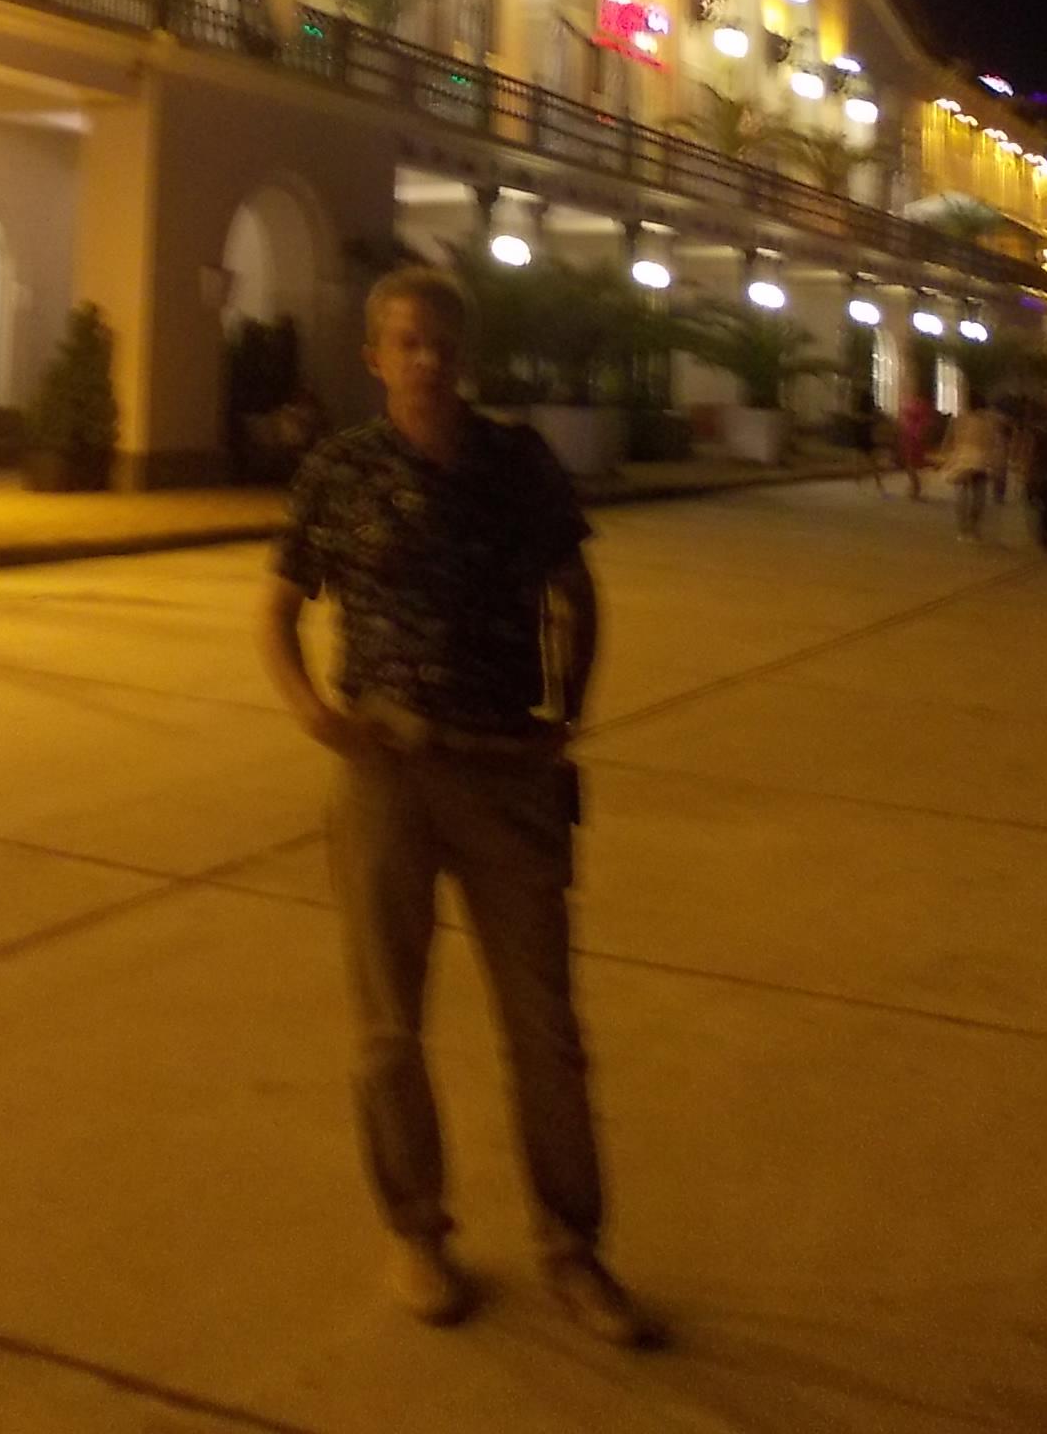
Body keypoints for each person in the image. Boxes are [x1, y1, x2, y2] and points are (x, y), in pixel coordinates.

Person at [260, 265, 658, 1347]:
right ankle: (417, 1232)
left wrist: (566, 714)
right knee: (388, 1029)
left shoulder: (517, 463)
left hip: (504, 769)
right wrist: (313, 713)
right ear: (374, 358)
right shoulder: (340, 469)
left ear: (462, 357)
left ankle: (573, 1250)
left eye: (442, 343)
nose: (427, 359)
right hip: (386, 771)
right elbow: (278, 607)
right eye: (408, 342)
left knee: (546, 1030)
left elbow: (575, 593)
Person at [937, 393, 1002, 539]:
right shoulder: (990, 422)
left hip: (962, 459)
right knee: (979, 494)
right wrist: (995, 462)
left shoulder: (960, 419)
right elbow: (995, 443)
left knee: (961, 493)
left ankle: (962, 528)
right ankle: (974, 526)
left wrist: (945, 455)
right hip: (982, 461)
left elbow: (949, 439)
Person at [1018, 399, 1047, 551]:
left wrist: (1023, 469)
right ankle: (1044, 536)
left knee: (1035, 502)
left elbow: (1027, 452)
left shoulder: (1032, 432)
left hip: (1037, 472)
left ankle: (1041, 534)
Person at [896, 388, 936, 500]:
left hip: (912, 435)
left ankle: (915, 487)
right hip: (913, 435)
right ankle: (915, 487)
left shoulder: (917, 405)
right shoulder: (923, 406)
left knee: (911, 463)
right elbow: (928, 423)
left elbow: (924, 421)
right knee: (913, 462)